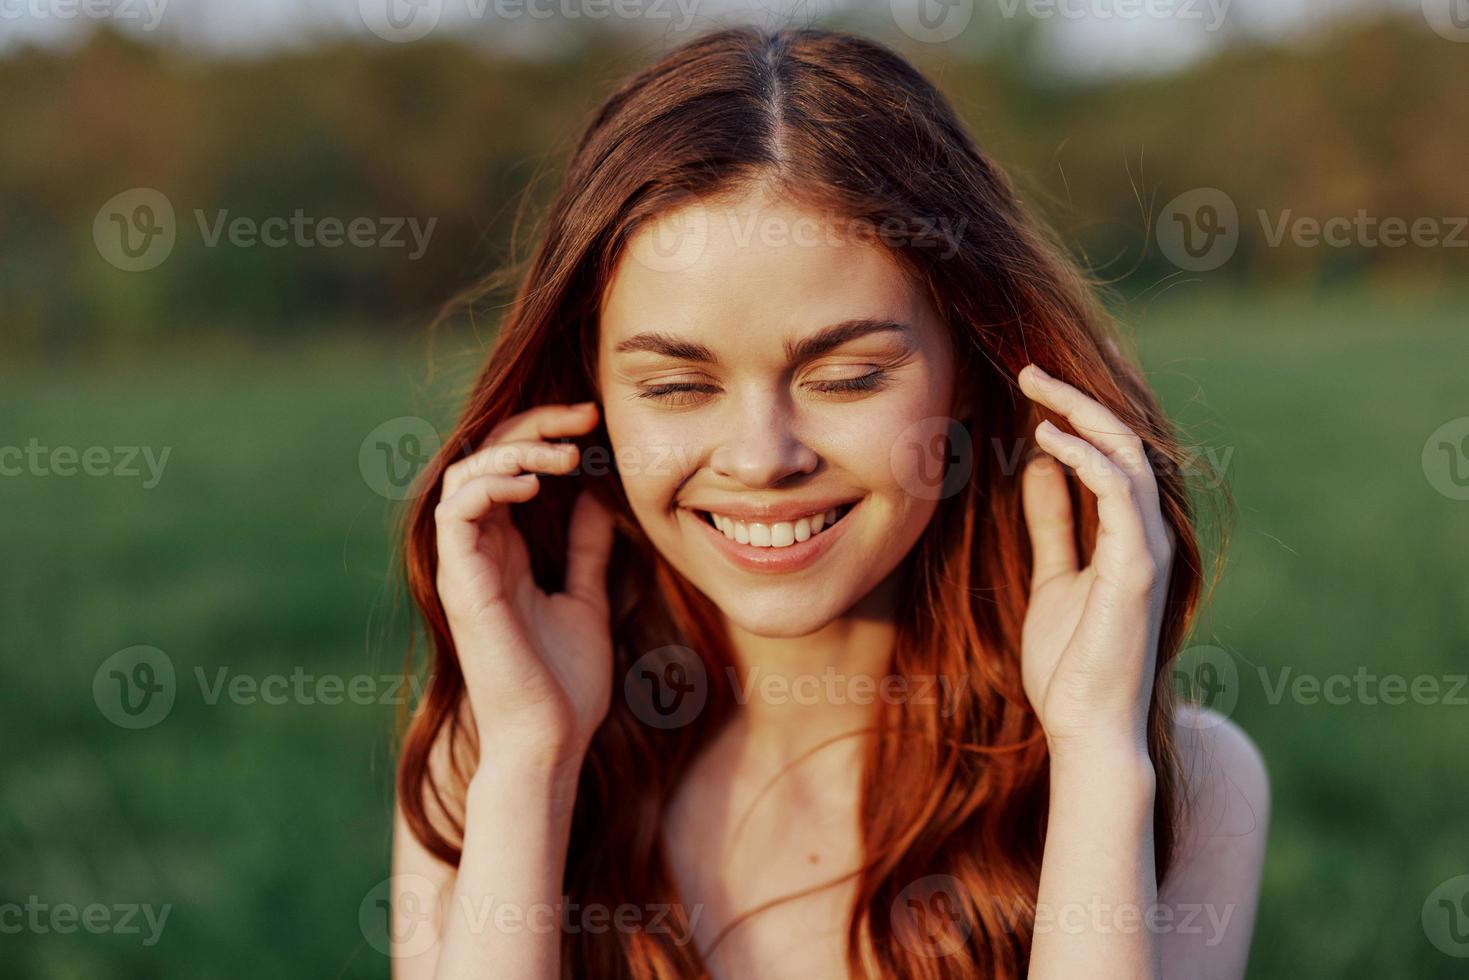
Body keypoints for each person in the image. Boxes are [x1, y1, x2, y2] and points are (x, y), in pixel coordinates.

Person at [389, 24, 1269, 980]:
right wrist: (534, 768)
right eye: (678, 387)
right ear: (588, 396)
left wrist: (1095, 759)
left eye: (847, 377)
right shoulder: (485, 761)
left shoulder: (1184, 776)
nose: (762, 460)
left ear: (969, 375)